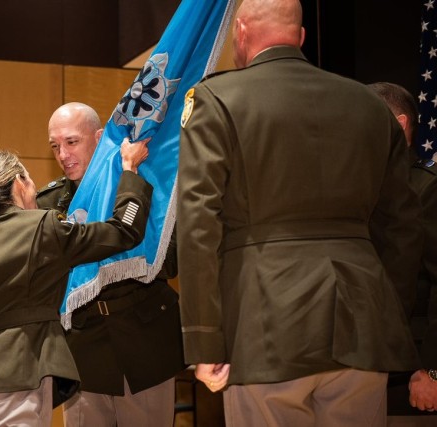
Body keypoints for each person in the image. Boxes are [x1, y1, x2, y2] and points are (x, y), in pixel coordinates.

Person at [176, 0, 423, 425]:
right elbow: (403, 229)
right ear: (301, 36)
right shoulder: (369, 107)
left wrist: (204, 342)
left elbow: (198, 227)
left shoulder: (217, 100)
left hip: (264, 326)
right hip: (361, 324)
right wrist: (383, 314)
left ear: (241, 32)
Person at [0, 142, 151, 427]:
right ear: (19, 182)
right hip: (21, 378)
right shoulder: (43, 228)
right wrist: (130, 173)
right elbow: (124, 231)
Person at [38, 102, 185, 426]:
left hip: (144, 344)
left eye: (71, 142)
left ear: (100, 137)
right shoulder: (49, 206)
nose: (62, 154)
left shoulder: (142, 187)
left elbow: (170, 261)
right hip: (84, 352)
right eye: (55, 146)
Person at [368, 82, 437, 424]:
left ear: (400, 123)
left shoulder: (428, 188)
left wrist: (432, 370)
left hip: (414, 374)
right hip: (363, 366)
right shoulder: (355, 188)